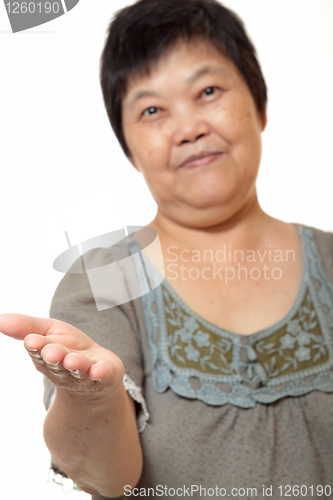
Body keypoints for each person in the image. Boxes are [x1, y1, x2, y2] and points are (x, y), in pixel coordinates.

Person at [1, 0, 333, 498]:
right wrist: (90, 398)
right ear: (130, 149)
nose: (189, 129)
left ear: (260, 106)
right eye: (152, 110)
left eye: (209, 91)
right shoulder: (110, 278)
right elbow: (108, 479)